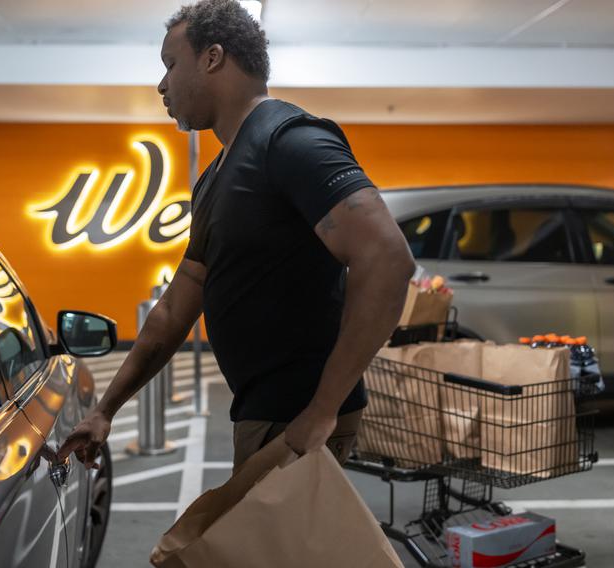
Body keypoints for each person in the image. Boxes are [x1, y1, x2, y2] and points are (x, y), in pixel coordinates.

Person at [59, 0, 414, 472]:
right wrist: (106, 409)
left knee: (269, 549)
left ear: (212, 58)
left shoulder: (290, 140)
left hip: (295, 418)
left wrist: (322, 410)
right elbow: (173, 308)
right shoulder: (216, 176)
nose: (161, 84)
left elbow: (388, 260)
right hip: (261, 414)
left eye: (170, 63)